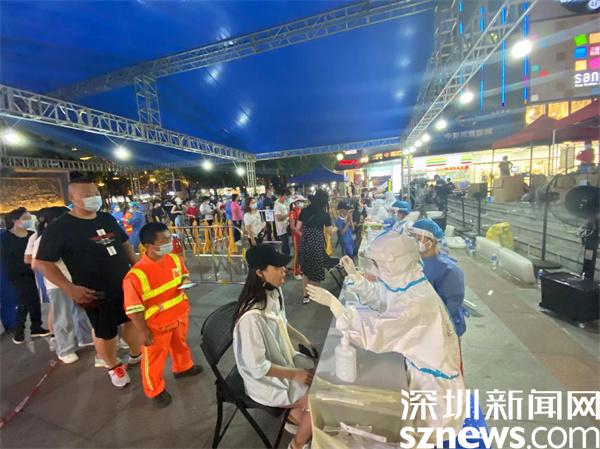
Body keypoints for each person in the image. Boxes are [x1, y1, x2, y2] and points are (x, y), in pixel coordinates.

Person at [306, 223, 466, 437]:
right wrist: (355, 277)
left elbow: (374, 334)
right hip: (421, 375)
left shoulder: (416, 302)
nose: (377, 270)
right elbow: (383, 300)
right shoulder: (409, 283)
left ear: (393, 264)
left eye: (378, 264)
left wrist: (335, 306)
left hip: (434, 394)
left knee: (424, 436)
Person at [36, 178, 141, 388]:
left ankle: (136, 354)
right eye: (86, 195)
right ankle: (113, 366)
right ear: (72, 198)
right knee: (106, 331)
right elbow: (42, 262)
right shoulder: (60, 227)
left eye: (95, 193)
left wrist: (138, 270)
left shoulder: (106, 218)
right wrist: (69, 288)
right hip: (94, 291)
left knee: (133, 319)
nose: (93, 198)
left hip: (125, 284)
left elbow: (124, 244)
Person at [232, 244, 315, 449]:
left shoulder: (274, 292)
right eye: (277, 267)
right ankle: (296, 444)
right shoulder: (251, 318)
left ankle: (294, 417)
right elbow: (257, 367)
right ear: (260, 273)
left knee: (319, 375)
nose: (284, 270)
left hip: (283, 361)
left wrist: (304, 340)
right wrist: (295, 374)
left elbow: (282, 323)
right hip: (264, 381)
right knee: (320, 400)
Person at [122, 222, 203, 407]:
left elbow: (183, 274)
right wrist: (143, 331)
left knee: (180, 345)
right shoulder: (135, 276)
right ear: (149, 245)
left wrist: (186, 280)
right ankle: (155, 390)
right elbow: (133, 309)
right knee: (154, 359)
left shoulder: (174, 259)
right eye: (164, 240)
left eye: (169, 238)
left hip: (179, 315)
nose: (169, 242)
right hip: (156, 325)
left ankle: (183, 367)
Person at [29, 207, 94, 364]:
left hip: (77, 280)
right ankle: (65, 349)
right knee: (63, 318)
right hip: (58, 284)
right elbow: (35, 264)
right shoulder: (43, 239)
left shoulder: (70, 235)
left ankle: (85, 338)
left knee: (81, 312)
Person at [410, 219, 467, 339]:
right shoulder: (416, 261)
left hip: (443, 328)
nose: (413, 242)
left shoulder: (448, 270)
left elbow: (451, 307)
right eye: (412, 238)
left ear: (431, 241)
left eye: (418, 239)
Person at [0, 207, 50, 344]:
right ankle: (19, 330)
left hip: (33, 272)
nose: (28, 221)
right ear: (15, 220)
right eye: (25, 218)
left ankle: (36, 326)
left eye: (29, 218)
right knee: (23, 301)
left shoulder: (31, 235)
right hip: (17, 274)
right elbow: (6, 258)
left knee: (34, 299)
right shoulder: (5, 237)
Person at [298, 190, 334, 304]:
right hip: (317, 242)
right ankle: (317, 296)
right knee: (317, 269)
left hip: (305, 241)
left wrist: (307, 232)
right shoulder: (324, 214)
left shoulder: (304, 210)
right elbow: (330, 231)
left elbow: (298, 227)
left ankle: (305, 296)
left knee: (306, 271)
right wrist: (335, 228)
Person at [289, 195, 307, 281]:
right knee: (297, 253)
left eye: (303, 201)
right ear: (296, 202)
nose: (302, 203)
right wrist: (300, 234)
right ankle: (296, 272)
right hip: (296, 236)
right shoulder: (292, 212)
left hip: (302, 235)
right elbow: (292, 227)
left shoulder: (301, 210)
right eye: (301, 201)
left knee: (302, 253)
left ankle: (301, 269)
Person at [274, 189, 291, 256]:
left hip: (286, 227)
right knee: (286, 244)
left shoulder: (284, 203)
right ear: (282, 195)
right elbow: (278, 218)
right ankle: (286, 257)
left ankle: (284, 257)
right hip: (281, 229)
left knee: (285, 244)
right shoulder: (277, 205)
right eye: (286, 196)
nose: (287, 198)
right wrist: (288, 214)